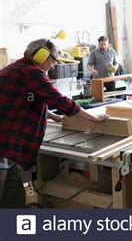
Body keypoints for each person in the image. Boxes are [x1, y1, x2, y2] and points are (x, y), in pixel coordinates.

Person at [0, 39, 108, 208]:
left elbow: (25, 101)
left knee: (13, 198)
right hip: (4, 149)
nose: (52, 66)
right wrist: (92, 118)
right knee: (9, 200)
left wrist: (50, 116)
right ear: (42, 55)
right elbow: (61, 101)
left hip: (6, 151)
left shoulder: (15, 68)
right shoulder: (32, 72)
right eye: (52, 61)